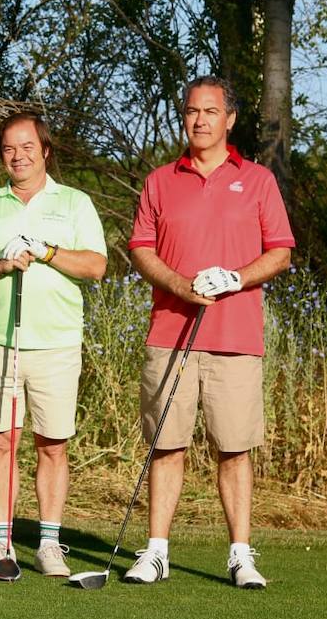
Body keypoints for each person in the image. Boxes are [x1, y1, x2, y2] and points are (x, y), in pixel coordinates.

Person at [124, 75, 293, 589]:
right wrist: (179, 283)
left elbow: (281, 251)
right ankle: (156, 552)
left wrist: (236, 277)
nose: (200, 120)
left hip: (235, 337)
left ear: (230, 119)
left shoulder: (258, 180)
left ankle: (241, 555)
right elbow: (140, 249)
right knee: (166, 445)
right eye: (192, 112)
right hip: (170, 334)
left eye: (210, 112)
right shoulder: (160, 180)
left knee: (234, 447)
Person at [0, 112, 107, 577]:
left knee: (52, 445)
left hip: (56, 342)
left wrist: (48, 252)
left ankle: (50, 544)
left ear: (45, 151)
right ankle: (1, 544)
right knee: (2, 442)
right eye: (8, 149)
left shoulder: (74, 203)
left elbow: (96, 265)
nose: (17, 157)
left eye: (26, 148)